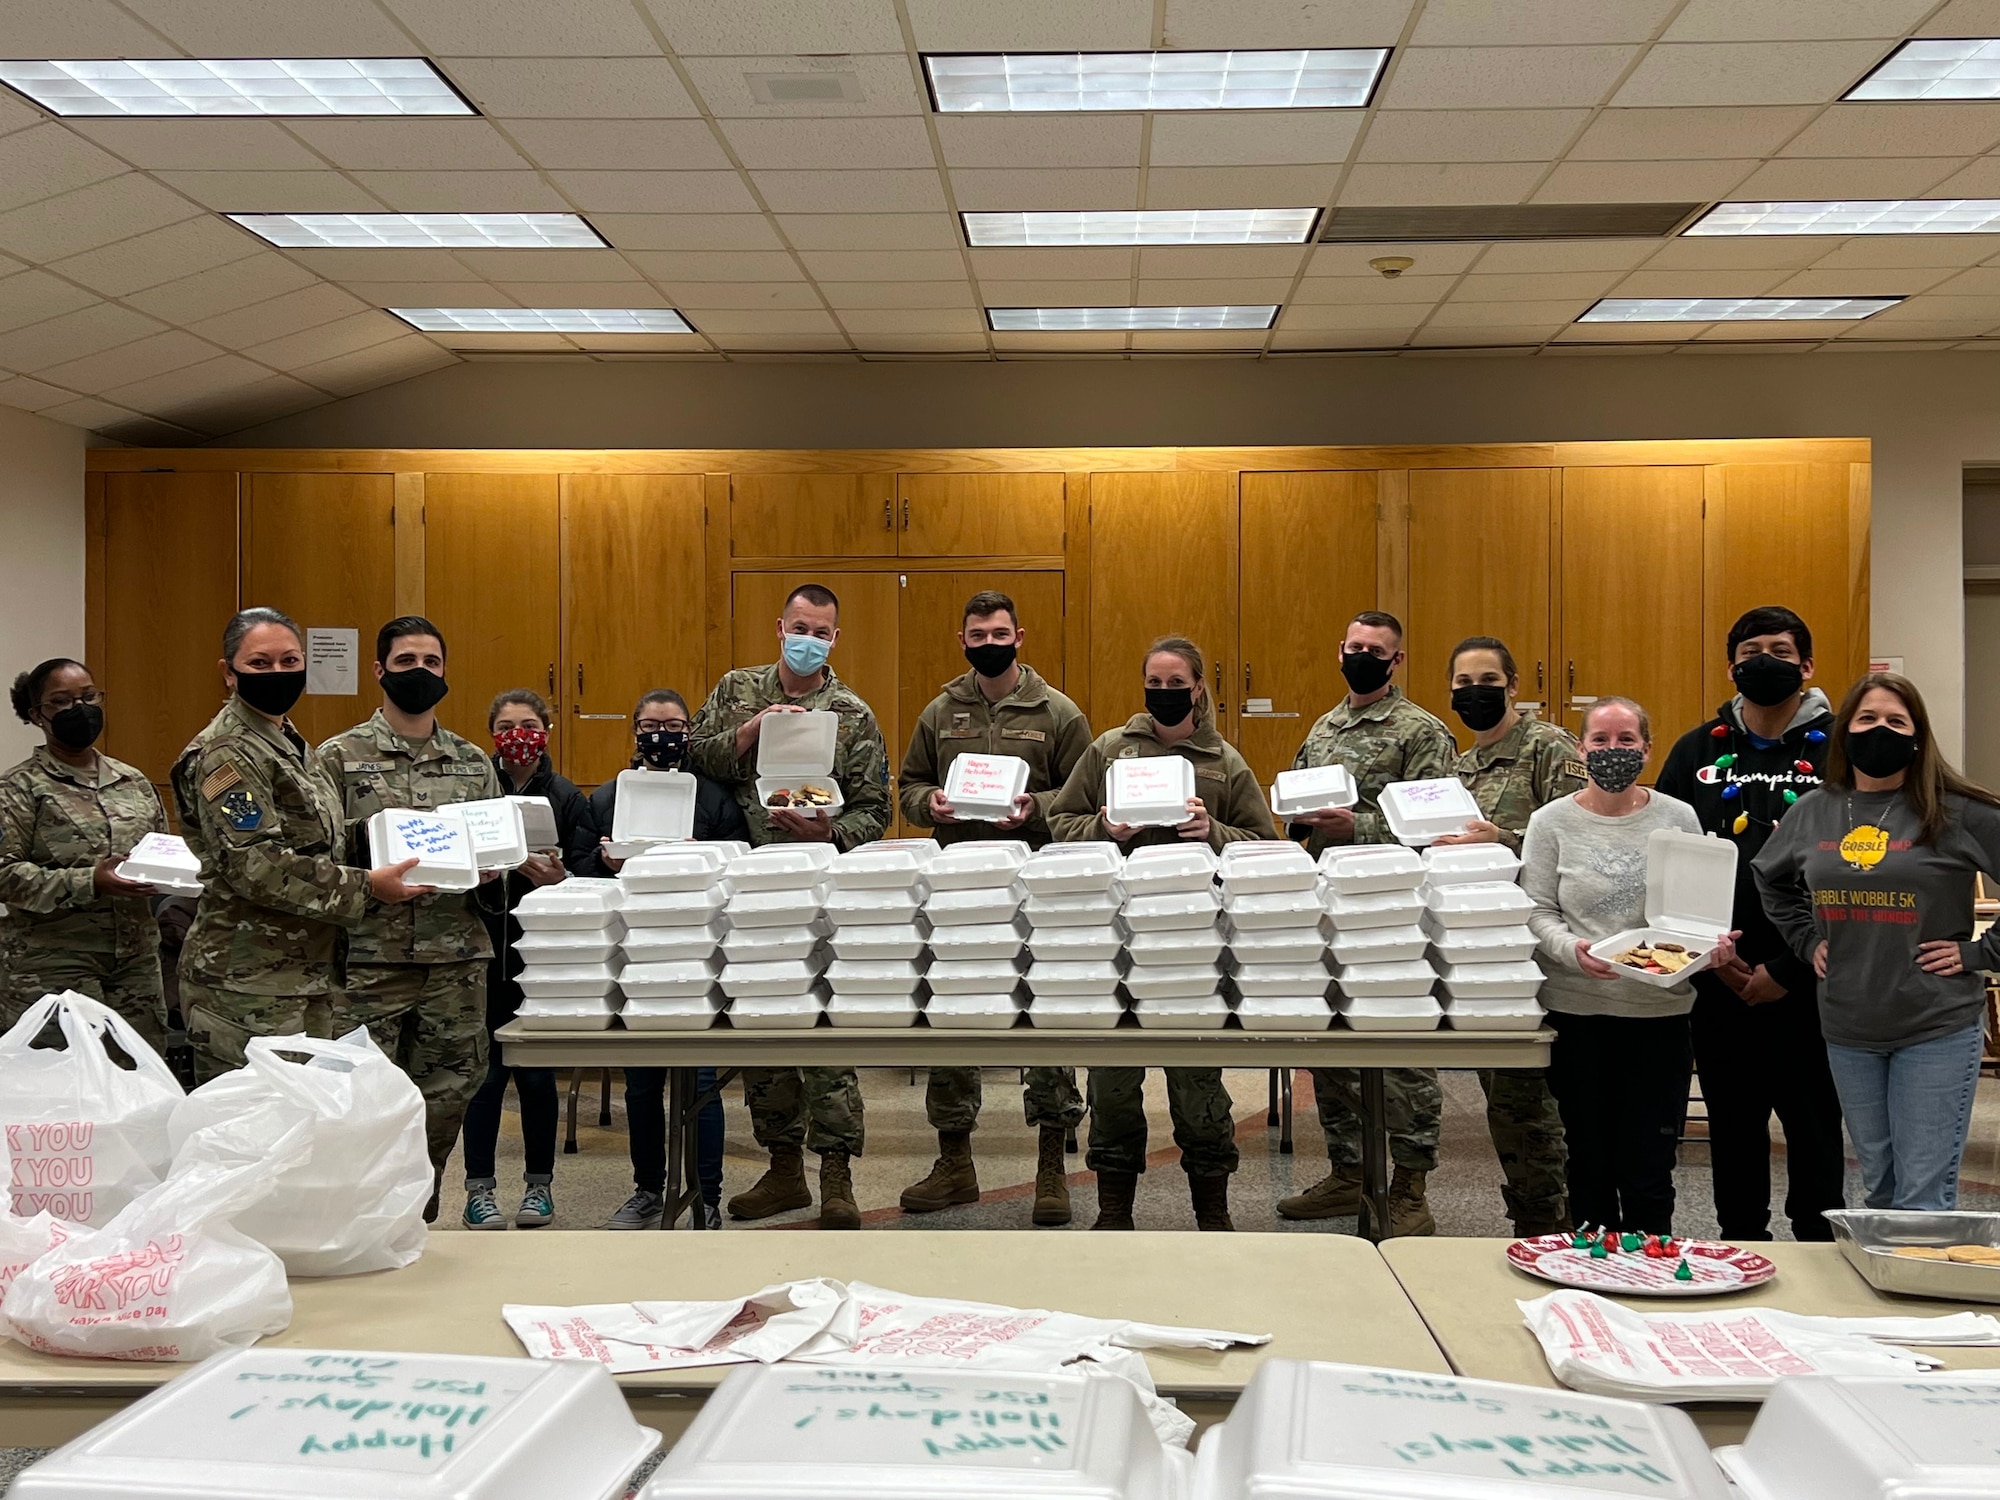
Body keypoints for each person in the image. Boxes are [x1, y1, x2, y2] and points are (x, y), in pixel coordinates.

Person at [1047, 635, 1279, 1232]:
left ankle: (1213, 1209)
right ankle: (1114, 1210)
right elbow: (1058, 824)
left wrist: (1213, 832)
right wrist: (1104, 827)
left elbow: (1267, 847)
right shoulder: (1108, 751)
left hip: (1191, 951)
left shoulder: (1223, 760)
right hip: (1114, 944)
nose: (1166, 693)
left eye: (1179, 684)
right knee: (1113, 1080)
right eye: (1157, 682)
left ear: (1200, 687)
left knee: (1197, 1083)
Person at [1755, 672, 2000, 1213]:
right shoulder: (1817, 808)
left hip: (1934, 1023)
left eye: (1896, 721)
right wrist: (1803, 940)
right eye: (1867, 719)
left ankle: (1927, 1297)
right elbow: (1769, 877)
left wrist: (1981, 953)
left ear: (1918, 735)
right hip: (1849, 1027)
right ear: (1845, 733)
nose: (1880, 730)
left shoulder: (1955, 810)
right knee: (1881, 1188)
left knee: (1923, 1196)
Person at [687, 583, 891, 1230]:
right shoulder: (735, 689)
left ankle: (836, 1175)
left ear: (835, 638)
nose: (809, 640)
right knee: (764, 1031)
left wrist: (830, 831)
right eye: (800, 627)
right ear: (780, 627)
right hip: (747, 891)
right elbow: (693, 758)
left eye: (822, 632)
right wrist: (748, 732)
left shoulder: (852, 714)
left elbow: (875, 811)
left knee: (825, 1034)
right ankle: (783, 1170)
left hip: (820, 893)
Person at [897, 589, 1094, 1226]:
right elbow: (908, 787)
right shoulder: (940, 710)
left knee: (1043, 1017)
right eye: (977, 635)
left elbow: (1080, 796)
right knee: (954, 1014)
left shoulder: (1058, 712)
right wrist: (930, 806)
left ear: (1020, 635)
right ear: (963, 641)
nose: (989, 644)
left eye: (999, 633)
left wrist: (1037, 806)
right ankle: (955, 1161)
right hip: (959, 889)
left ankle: (1050, 1168)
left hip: (1034, 885)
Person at [172, 607, 427, 1083]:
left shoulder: (284, 739)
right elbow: (256, 864)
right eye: (260, 664)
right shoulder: (227, 753)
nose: (278, 674)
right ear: (229, 673)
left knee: (300, 1131)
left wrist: (397, 836)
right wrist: (368, 886)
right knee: (254, 1132)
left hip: (304, 973)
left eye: (290, 662)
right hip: (246, 981)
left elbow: (316, 838)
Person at [1657, 607, 1844, 1243]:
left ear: (1807, 666)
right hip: (1718, 971)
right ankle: (1741, 1248)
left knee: (1814, 1127)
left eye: (1781, 650)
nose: (1765, 660)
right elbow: (1666, 854)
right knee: (1734, 1128)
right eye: (1752, 649)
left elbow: (1861, 867)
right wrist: (1708, 956)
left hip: (1813, 976)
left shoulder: (1843, 749)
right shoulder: (1694, 749)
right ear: (1733, 666)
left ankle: (1820, 1255)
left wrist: (1788, 969)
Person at [1277, 610, 1458, 1235]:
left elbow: (1439, 826)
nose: (1362, 656)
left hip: (1395, 914)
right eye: (1354, 646)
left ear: (1396, 660)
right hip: (1330, 907)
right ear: (1340, 650)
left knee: (1402, 1049)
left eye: (1375, 649)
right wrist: (1297, 819)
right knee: (1330, 1043)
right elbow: (1296, 803)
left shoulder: (1422, 731)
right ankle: (1349, 1173)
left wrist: (1362, 827)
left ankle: (1410, 1188)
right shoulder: (1325, 727)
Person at [317, 616, 501, 1220]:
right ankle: (359, 1218)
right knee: (359, 1099)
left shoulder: (474, 762)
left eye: (431, 662)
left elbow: (494, 851)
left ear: (445, 671)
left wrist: (495, 868)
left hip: (454, 959)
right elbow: (318, 858)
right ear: (379, 671)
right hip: (368, 960)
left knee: (447, 1095)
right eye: (405, 661)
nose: (419, 672)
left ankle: (419, 1209)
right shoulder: (337, 759)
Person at [1522, 697, 1730, 1234]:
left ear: (1647, 748)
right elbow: (1538, 910)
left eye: (1626, 741)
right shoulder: (1550, 822)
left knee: (1649, 1166)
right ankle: (1593, 1276)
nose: (1613, 751)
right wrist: (1572, 950)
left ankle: (1652, 1273)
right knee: (1588, 1158)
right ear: (1581, 747)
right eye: (1601, 741)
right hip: (1577, 1012)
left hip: (1658, 1015)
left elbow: (1692, 911)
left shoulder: (1678, 816)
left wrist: (1712, 946)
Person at [1430, 635, 1586, 1238]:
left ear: (1515, 686)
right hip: (1486, 951)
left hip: (1545, 949)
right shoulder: (1459, 768)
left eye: (1487, 680)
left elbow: (1581, 841)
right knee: (1508, 1098)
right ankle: (1532, 1215)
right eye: (1463, 683)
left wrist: (1505, 840)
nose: (1475, 693)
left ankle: (1558, 1221)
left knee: (1538, 1099)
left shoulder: (1548, 747)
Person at [592, 689, 747, 1232]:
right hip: (637, 955)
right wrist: (608, 861)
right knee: (642, 1082)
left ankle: (706, 1195)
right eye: (651, 723)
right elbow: (590, 874)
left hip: (698, 956)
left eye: (675, 723)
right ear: (634, 729)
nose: (663, 732)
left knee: (703, 1080)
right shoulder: (610, 795)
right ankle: (646, 1190)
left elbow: (738, 866)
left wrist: (695, 858)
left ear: (690, 729)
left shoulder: (714, 797)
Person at [459, 689, 602, 1231]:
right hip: (477, 948)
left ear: (546, 729)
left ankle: (539, 1188)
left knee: (537, 1078)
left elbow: (590, 874)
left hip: (541, 957)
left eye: (528, 724)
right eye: (505, 725)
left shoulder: (568, 797)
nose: (517, 733)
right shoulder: (474, 787)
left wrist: (561, 878)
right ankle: (479, 1190)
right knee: (485, 1077)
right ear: (491, 733)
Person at [0, 658, 170, 1045]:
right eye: (61, 701)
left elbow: (161, 848)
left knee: (139, 1080)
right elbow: (3, 875)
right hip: (53, 965)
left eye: (89, 696)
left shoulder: (133, 781)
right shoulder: (17, 788)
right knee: (62, 1089)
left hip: (136, 963)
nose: (80, 709)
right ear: (37, 715)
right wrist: (89, 880)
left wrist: (172, 874)